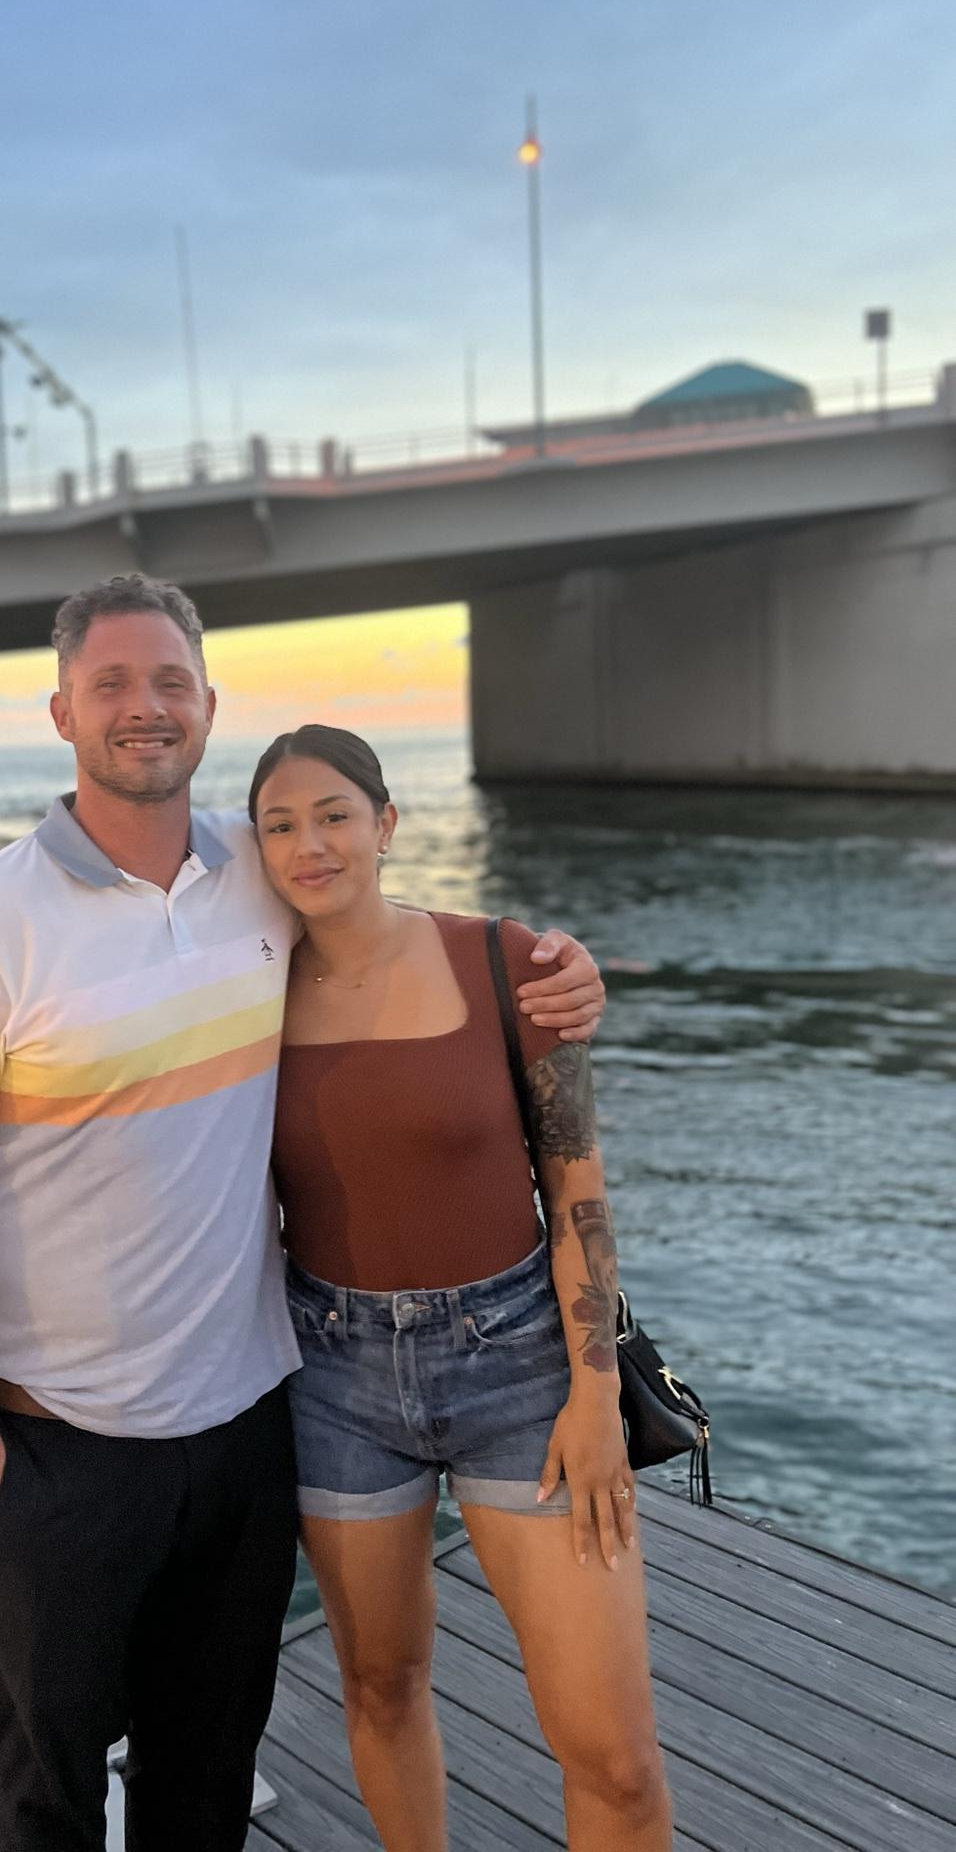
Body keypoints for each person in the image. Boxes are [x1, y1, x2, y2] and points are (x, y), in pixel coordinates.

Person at [0, 574, 607, 1852]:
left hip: (255, 1422)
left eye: (168, 683)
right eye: (111, 684)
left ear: (206, 707)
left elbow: (389, 936)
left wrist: (553, 964)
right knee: (47, 1796)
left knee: (205, 1781)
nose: (142, 709)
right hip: (61, 1448)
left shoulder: (262, 880)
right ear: (61, 711)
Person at [249, 722, 672, 1852]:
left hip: (523, 1363)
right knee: (381, 1686)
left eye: (335, 813)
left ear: (386, 825)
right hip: (332, 1373)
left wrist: (593, 1402)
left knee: (615, 1756)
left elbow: (577, 1188)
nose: (310, 842)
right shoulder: (240, 998)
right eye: (280, 823)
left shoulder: (513, 962)